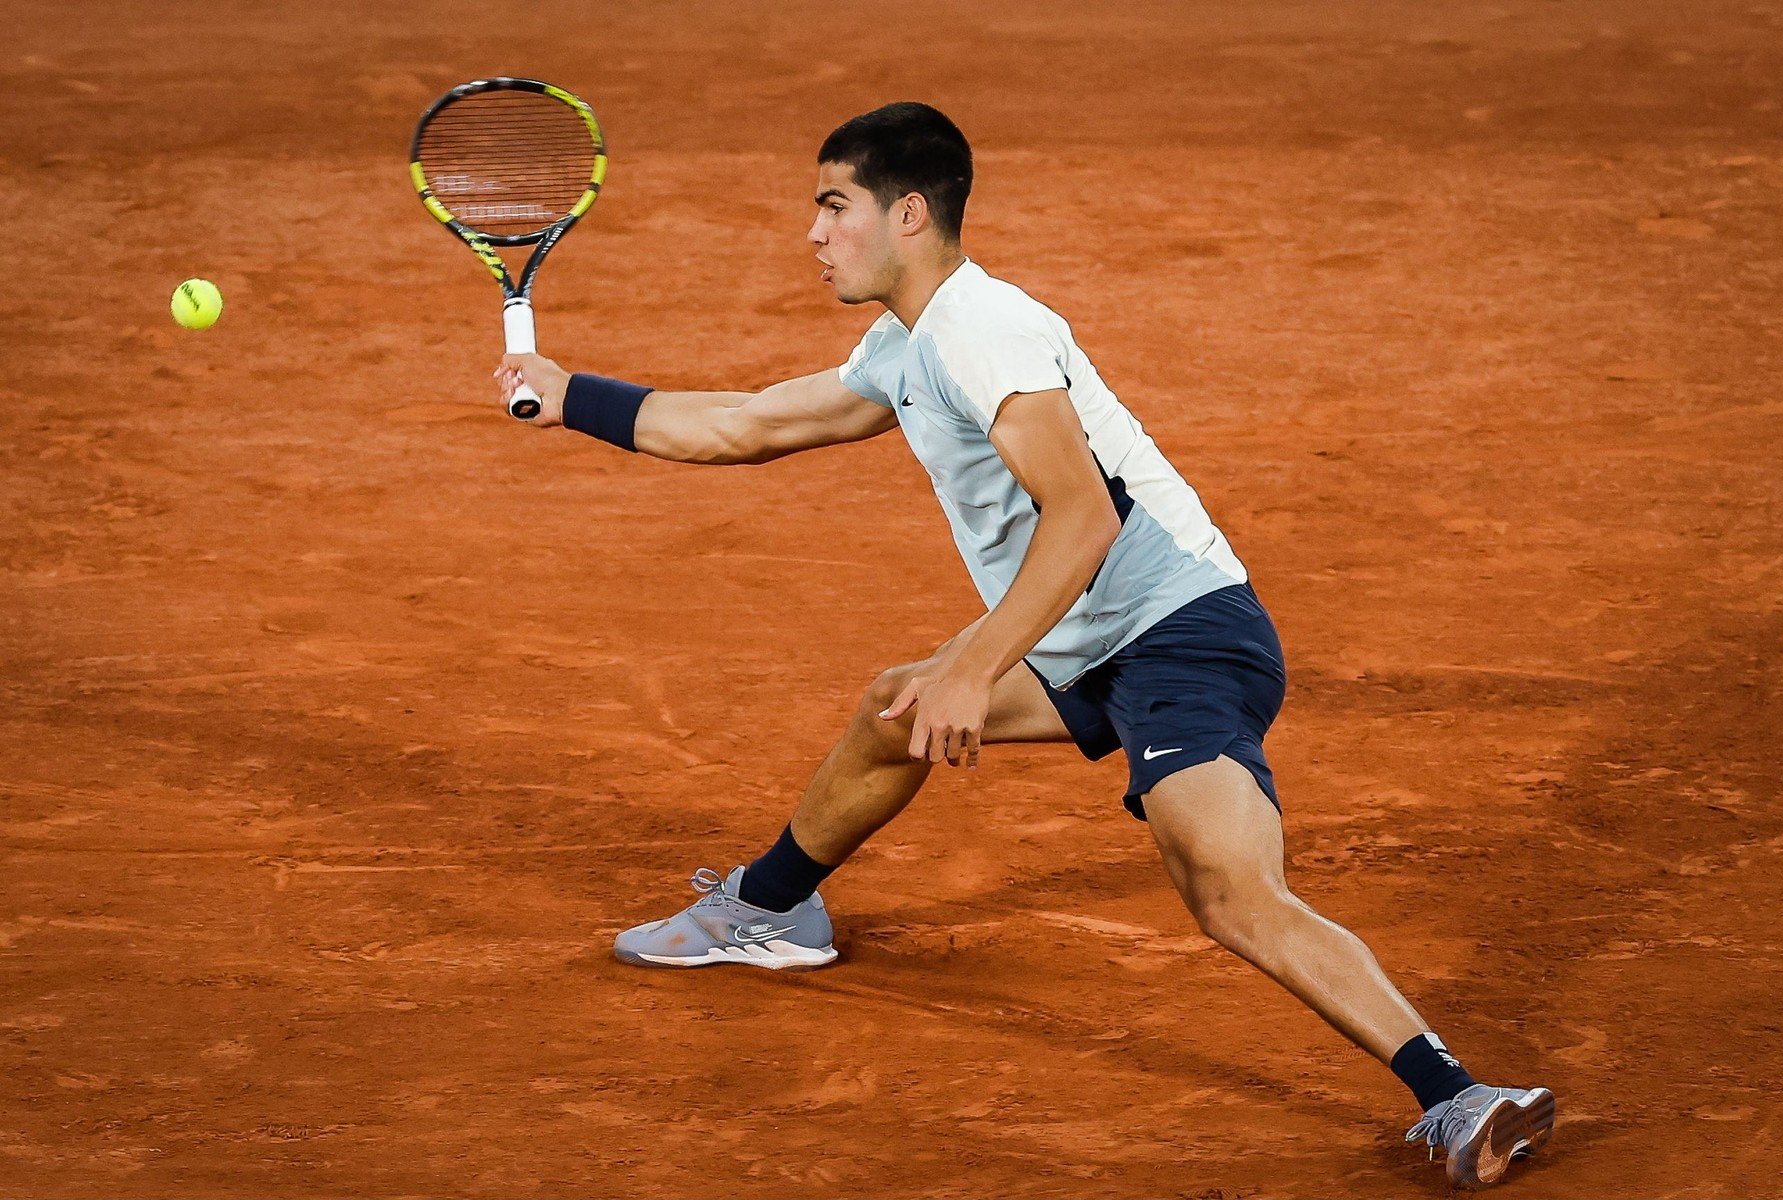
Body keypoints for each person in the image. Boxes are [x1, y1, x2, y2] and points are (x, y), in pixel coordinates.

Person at [494, 101, 1555, 1190]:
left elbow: (1084, 516)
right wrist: (575, 398)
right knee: (894, 713)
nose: (814, 233)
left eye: (834, 205)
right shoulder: (909, 343)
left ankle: (1459, 1095)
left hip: (1179, 635)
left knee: (1228, 892)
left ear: (909, 213)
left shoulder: (981, 330)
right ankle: (770, 910)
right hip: (1087, 630)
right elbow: (753, 423)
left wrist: (974, 666)